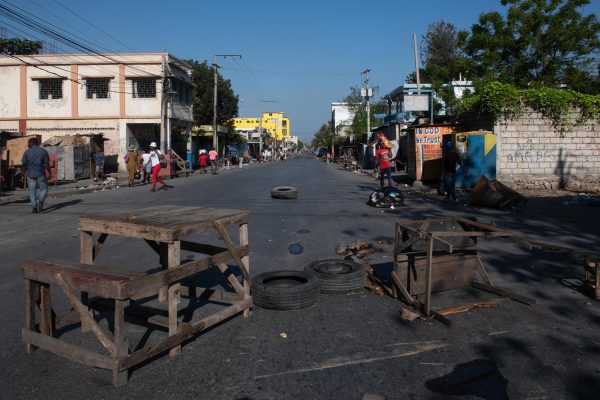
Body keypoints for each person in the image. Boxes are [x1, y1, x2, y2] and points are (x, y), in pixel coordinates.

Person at [21, 137, 51, 213]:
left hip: (30, 174)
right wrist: (49, 173)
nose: (28, 145)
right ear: (37, 143)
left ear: (30, 144)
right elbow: (46, 164)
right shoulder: (43, 151)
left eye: (28, 143)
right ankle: (40, 201)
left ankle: (34, 207)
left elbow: (24, 165)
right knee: (44, 189)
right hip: (41, 173)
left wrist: (22, 175)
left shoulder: (26, 152)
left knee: (32, 191)